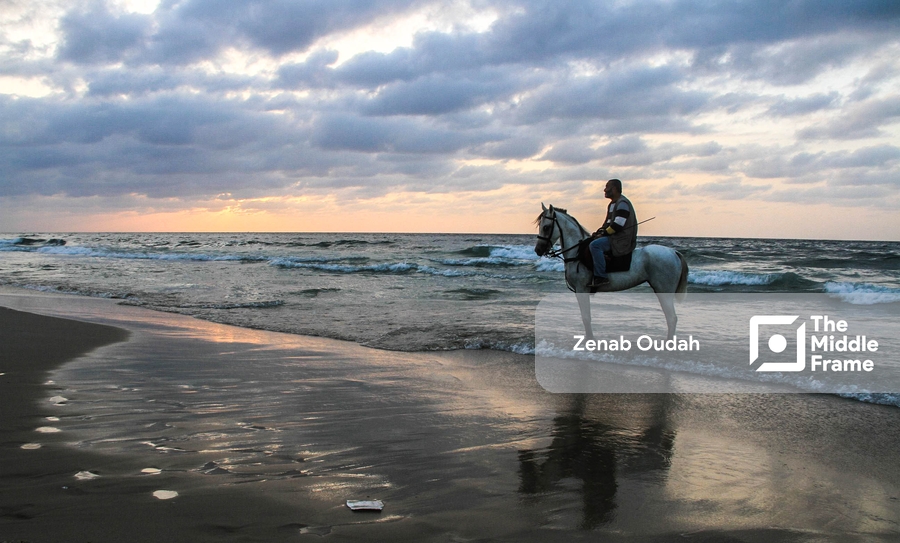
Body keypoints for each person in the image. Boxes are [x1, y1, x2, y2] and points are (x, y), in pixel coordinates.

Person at [588, 179, 637, 287]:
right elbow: (608, 224)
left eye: (607, 187)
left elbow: (618, 225)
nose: (605, 190)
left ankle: (601, 277)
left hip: (621, 239)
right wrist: (598, 232)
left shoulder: (622, 203)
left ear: (614, 189)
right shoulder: (612, 204)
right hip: (614, 236)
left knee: (595, 246)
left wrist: (604, 234)